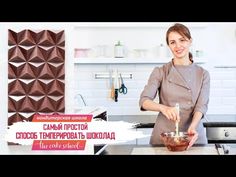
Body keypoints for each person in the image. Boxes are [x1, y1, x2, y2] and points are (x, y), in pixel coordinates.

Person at [139, 23, 210, 149]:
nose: (178, 46)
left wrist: (193, 127)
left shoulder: (203, 74)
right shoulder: (160, 71)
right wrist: (164, 108)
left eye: (182, 40)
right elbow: (144, 101)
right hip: (164, 138)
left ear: (190, 41)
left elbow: (201, 106)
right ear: (169, 45)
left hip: (193, 136)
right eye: (172, 42)